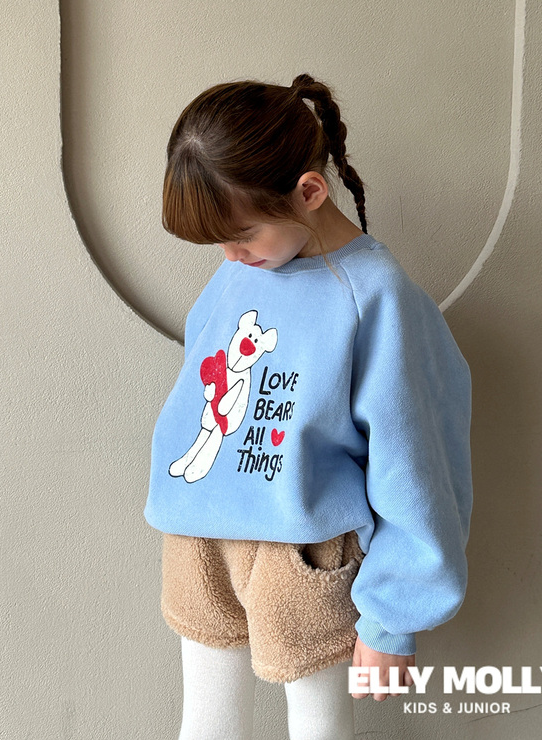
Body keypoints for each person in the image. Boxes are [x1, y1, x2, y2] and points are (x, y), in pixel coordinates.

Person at [143, 73, 473, 740]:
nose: (230, 255)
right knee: (205, 725)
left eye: (242, 233)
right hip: (198, 537)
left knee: (318, 730)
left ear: (310, 191)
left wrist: (392, 617)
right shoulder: (239, 272)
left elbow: (418, 465)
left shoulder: (376, 297)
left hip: (304, 554)